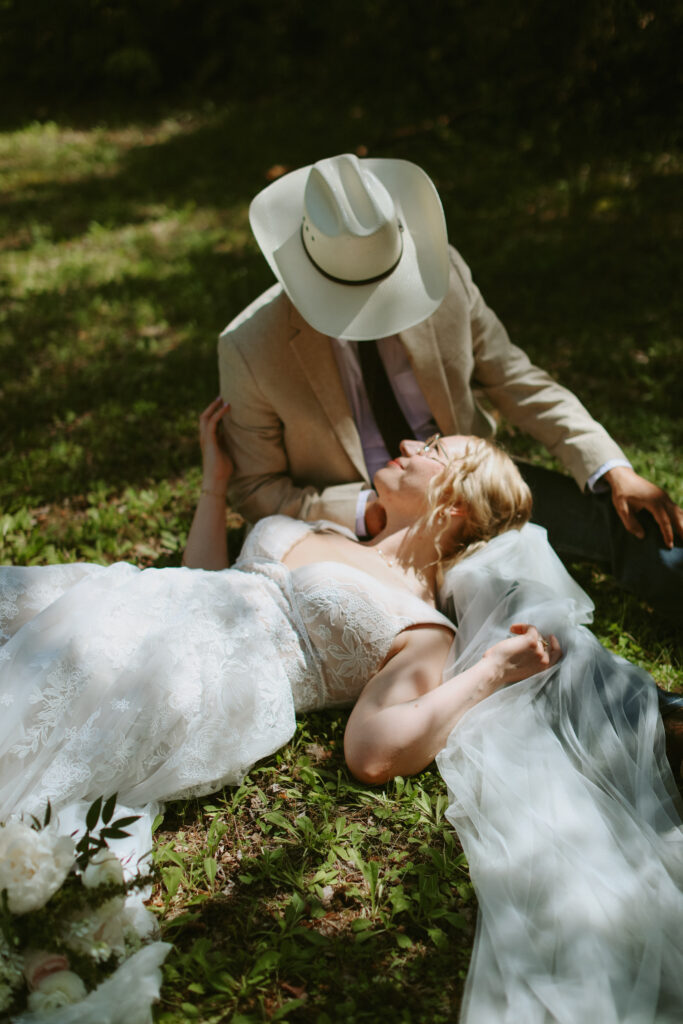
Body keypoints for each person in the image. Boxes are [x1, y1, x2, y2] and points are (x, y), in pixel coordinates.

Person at [2, 403, 682, 1022]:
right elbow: (205, 582)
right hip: (128, 596)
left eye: (437, 451)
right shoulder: (323, 528)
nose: (413, 445)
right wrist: (214, 486)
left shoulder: (422, 630)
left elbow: (373, 752)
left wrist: (489, 672)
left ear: (455, 509)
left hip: (203, 679)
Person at [217, 153, 683, 622]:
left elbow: (516, 379)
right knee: (499, 620)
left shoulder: (443, 276)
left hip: (467, 490)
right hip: (361, 534)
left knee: (635, 523)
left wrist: (611, 467)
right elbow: (256, 488)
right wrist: (366, 511)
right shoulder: (252, 346)